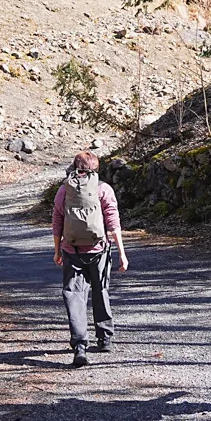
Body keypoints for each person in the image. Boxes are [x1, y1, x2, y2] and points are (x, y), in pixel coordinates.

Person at [52, 152, 127, 367]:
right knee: (100, 289)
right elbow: (113, 223)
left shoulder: (64, 190)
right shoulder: (103, 189)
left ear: (75, 167)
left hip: (71, 250)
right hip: (99, 250)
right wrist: (122, 253)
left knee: (74, 295)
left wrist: (57, 250)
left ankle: (79, 346)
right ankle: (104, 338)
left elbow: (57, 221)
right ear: (96, 168)